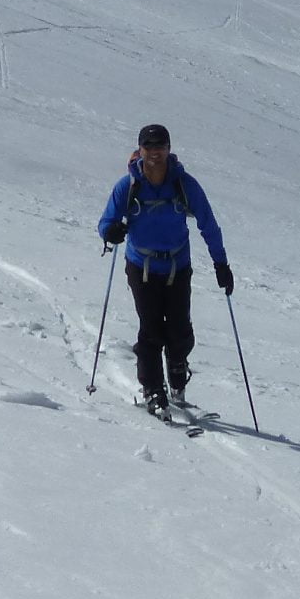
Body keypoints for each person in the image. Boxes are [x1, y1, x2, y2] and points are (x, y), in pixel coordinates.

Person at [97, 123, 233, 416]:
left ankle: (177, 376)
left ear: (169, 149)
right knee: (151, 331)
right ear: (140, 150)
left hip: (177, 267)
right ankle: (154, 391)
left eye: (160, 147)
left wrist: (221, 264)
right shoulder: (129, 186)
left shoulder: (184, 185)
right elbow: (106, 221)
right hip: (141, 268)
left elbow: (208, 224)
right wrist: (111, 232)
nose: (155, 154)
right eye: (149, 148)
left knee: (180, 331)